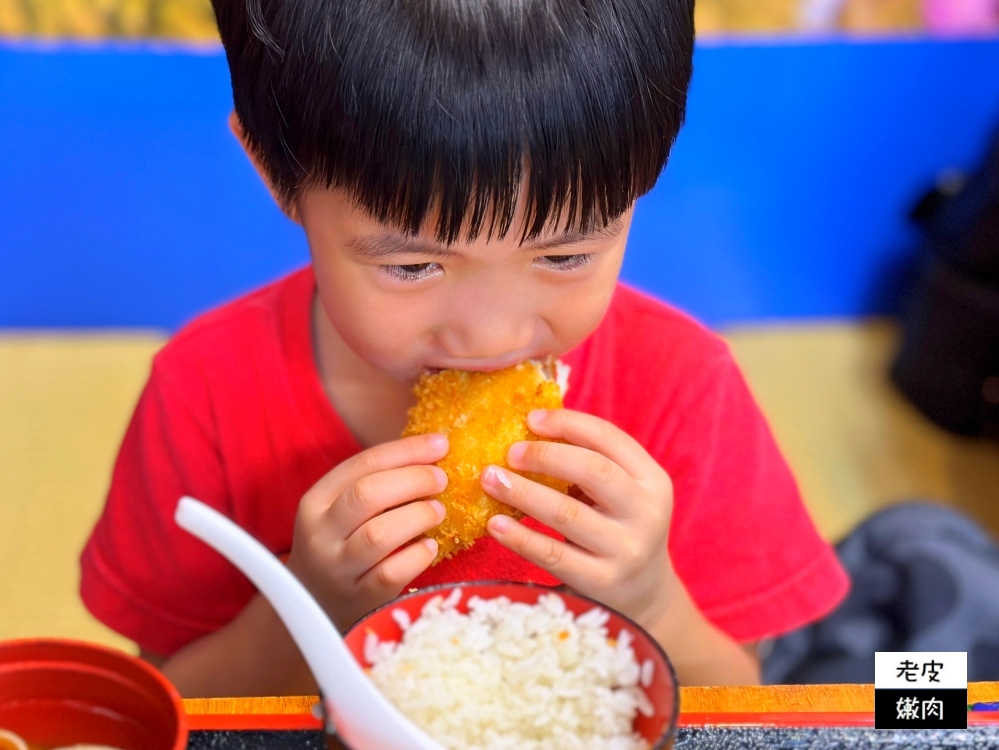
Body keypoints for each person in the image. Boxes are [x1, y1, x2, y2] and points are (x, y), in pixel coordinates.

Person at [80, 0, 849, 697]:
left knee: (921, 701)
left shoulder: (684, 385)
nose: (493, 336)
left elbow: (745, 702)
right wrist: (304, 603)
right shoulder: (204, 390)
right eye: (412, 266)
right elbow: (175, 702)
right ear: (274, 174)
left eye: (564, 256)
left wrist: (649, 599)